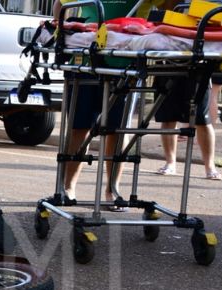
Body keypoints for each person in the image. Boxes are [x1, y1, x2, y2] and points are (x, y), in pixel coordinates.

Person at [51, 0, 179, 208]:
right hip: (85, 60)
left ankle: (112, 189)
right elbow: (60, 4)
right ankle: (68, 186)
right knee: (78, 127)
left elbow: (171, 5)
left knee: (117, 131)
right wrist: (61, 30)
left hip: (125, 63)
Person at [155, 76, 222, 180]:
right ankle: (170, 162)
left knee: (203, 121)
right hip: (168, 69)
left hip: (198, 72)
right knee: (168, 118)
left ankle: (210, 166)